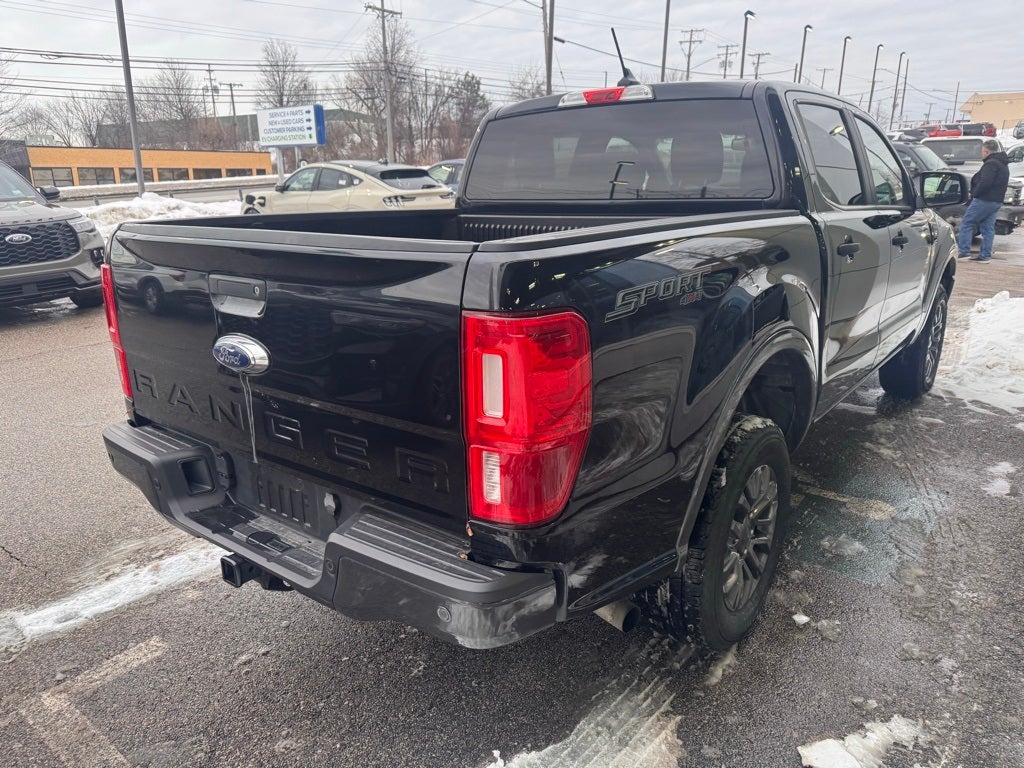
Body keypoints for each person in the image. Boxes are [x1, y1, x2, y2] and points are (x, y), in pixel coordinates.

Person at [957, 139, 1010, 262]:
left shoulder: (991, 164)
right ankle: (985, 255)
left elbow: (985, 182)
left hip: (984, 200)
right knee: (988, 228)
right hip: (996, 201)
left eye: (982, 151)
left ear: (986, 151)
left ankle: (964, 252)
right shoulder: (1003, 164)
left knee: (967, 223)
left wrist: (974, 194)